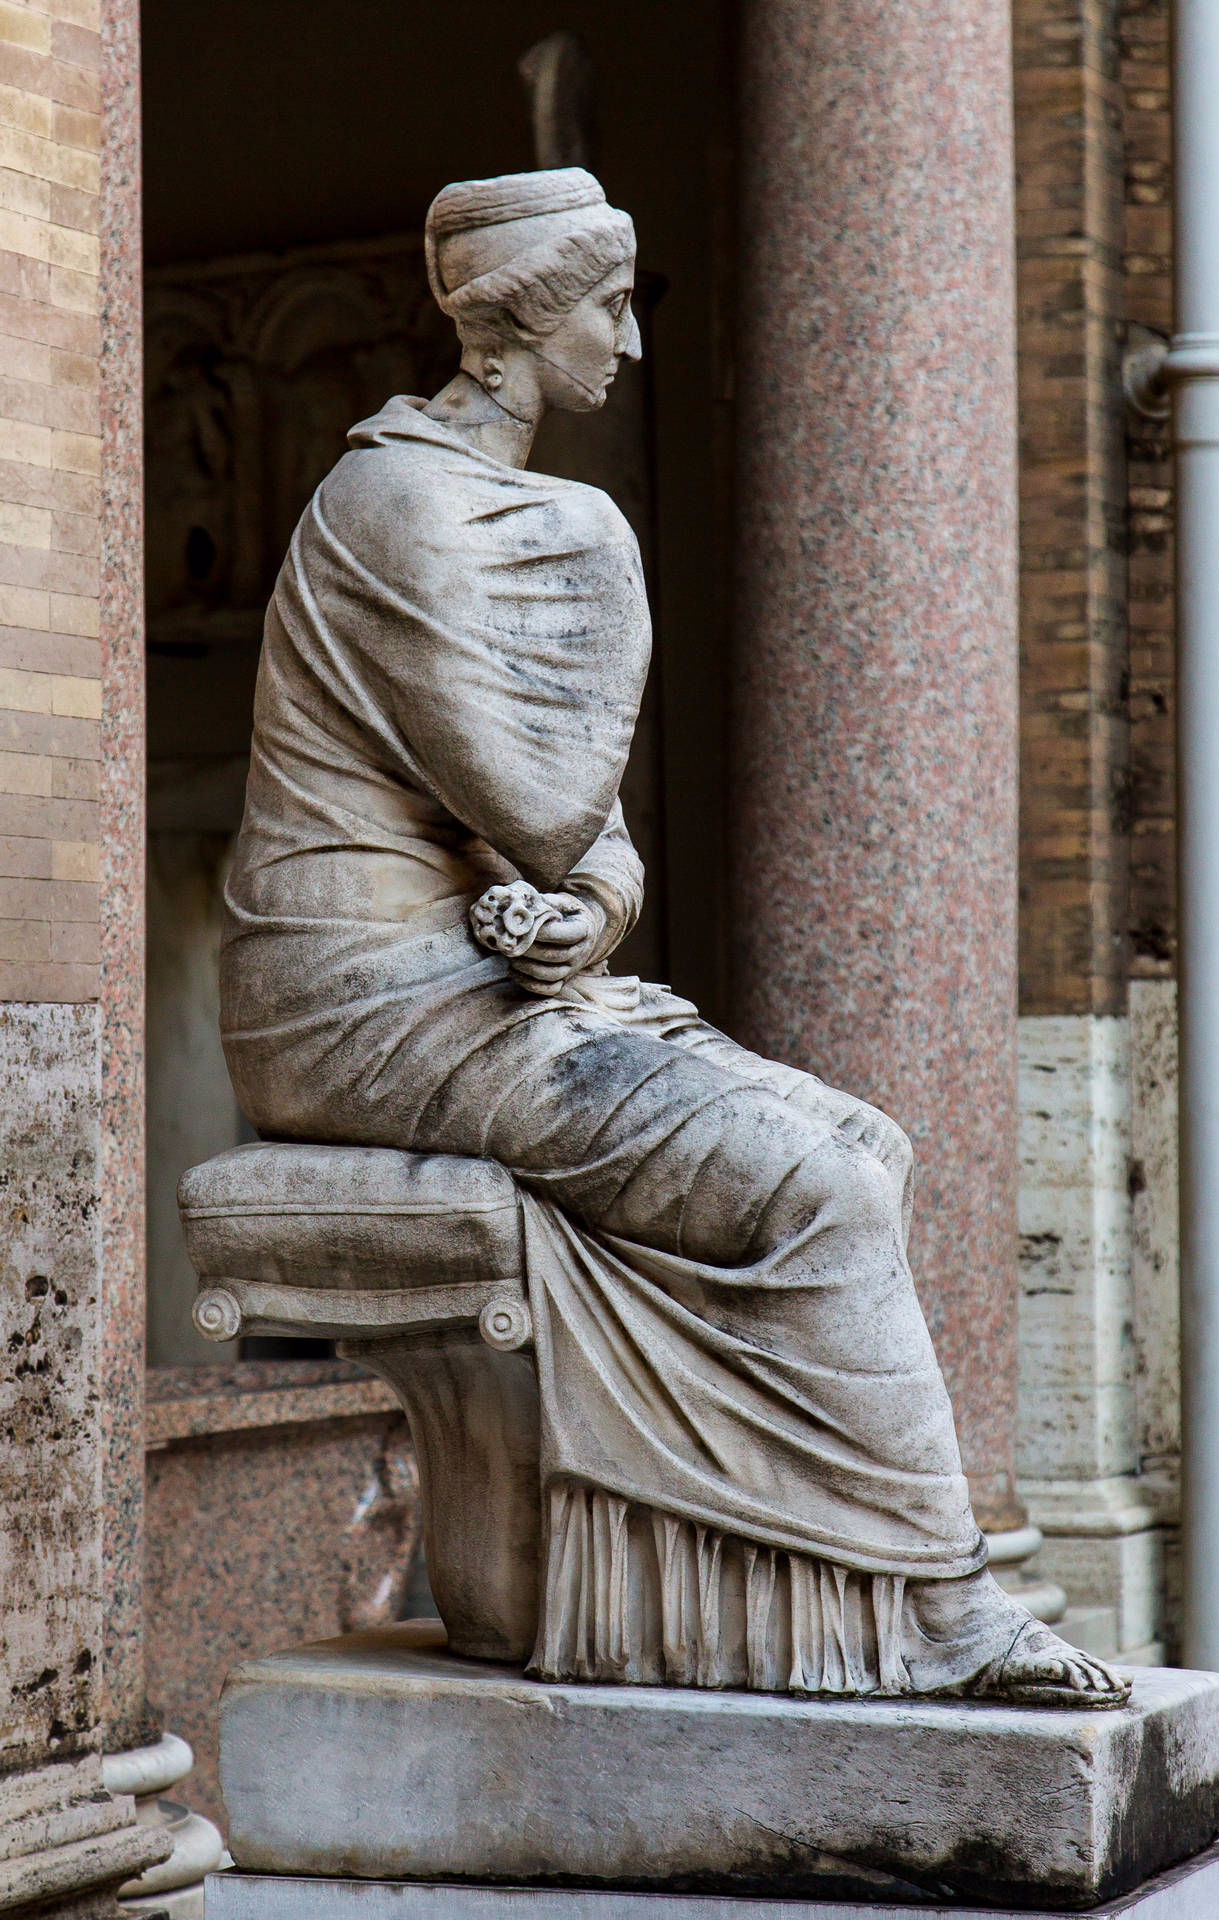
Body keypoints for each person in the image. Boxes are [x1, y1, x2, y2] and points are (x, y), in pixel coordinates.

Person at [221, 168, 1127, 1705]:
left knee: (870, 1140)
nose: (631, 345)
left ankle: (748, 1589)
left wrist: (577, 918)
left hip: (472, 977)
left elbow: (591, 849)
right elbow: (534, 793)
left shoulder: (519, 513)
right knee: (820, 1184)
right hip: (355, 998)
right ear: (516, 328)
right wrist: (607, 573)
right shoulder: (398, 509)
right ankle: (944, 1607)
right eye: (608, 308)